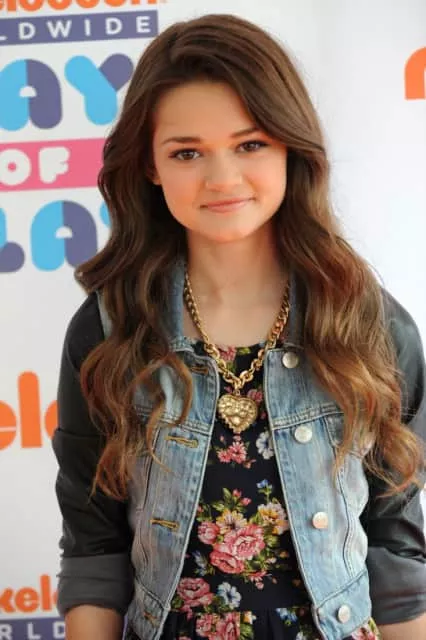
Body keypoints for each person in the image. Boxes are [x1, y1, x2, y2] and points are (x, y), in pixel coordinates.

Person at [52, 13, 426, 640]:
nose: (222, 178)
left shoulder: (368, 323)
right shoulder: (109, 331)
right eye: (187, 152)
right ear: (149, 165)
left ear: (290, 147)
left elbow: (397, 547)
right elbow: (94, 550)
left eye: (250, 144)